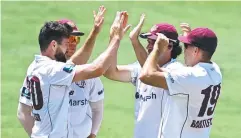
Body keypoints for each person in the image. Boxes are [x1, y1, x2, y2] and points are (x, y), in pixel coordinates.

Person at [17, 7, 129, 138]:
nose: (68, 48)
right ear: (54, 45)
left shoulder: (37, 67)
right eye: (65, 43)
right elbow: (97, 69)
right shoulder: (52, 70)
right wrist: (116, 38)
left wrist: (95, 32)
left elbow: (76, 61)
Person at [104, 13, 183, 138]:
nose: (148, 46)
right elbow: (110, 72)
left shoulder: (177, 71)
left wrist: (135, 42)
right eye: (148, 42)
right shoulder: (140, 67)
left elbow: (152, 74)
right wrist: (115, 39)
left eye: (154, 43)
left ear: (169, 46)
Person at [139, 24, 222, 138]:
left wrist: (157, 49)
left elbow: (146, 76)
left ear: (196, 50)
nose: (184, 50)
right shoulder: (215, 71)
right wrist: (191, 39)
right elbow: (169, 73)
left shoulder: (189, 77)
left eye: (187, 46)